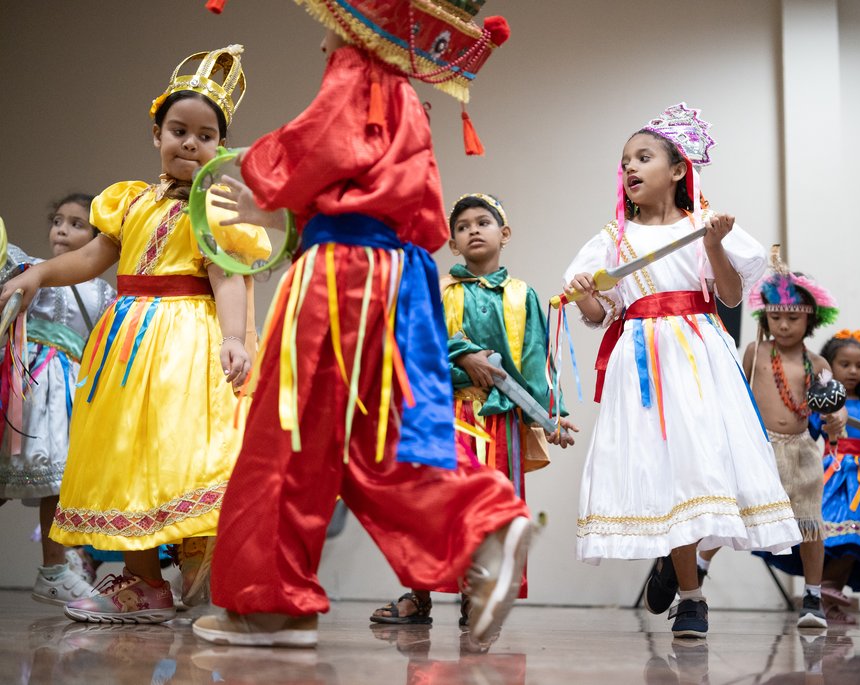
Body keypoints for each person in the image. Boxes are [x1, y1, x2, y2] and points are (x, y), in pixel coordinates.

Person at [192, 4, 532, 651]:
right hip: (392, 276)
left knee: (288, 431)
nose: (324, 43)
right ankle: (479, 525)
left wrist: (254, 174)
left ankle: (271, 603)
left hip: (341, 275)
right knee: (376, 439)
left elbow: (320, 143)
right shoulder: (403, 90)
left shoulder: (360, 67)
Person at [0, 44, 259, 623]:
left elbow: (227, 275)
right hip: (126, 343)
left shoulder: (214, 208)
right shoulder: (130, 201)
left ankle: (201, 561)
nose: (190, 143)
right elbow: (95, 256)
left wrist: (235, 338)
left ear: (222, 147)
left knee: (181, 450)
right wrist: (39, 273)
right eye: (178, 129)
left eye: (206, 135)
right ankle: (145, 583)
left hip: (186, 343)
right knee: (126, 452)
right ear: (156, 132)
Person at [561, 102, 802, 640]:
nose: (629, 168)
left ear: (677, 170)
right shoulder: (612, 239)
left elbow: (733, 294)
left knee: (715, 468)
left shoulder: (702, 226)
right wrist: (586, 298)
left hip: (698, 353)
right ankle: (692, 598)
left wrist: (714, 246)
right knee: (667, 472)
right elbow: (602, 315)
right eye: (624, 160)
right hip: (642, 362)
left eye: (642, 157)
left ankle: (681, 562)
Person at [370, 193, 576, 627]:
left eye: (483, 222)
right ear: (453, 243)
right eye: (462, 227)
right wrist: (462, 356)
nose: (473, 231)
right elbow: (414, 344)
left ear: (504, 234)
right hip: (444, 414)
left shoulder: (521, 296)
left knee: (488, 509)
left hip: (498, 421)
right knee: (431, 505)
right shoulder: (439, 290)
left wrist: (551, 414)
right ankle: (418, 594)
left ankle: (477, 594)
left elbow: (537, 359)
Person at [0, 194, 116, 605]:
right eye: (58, 221)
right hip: (23, 387)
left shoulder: (103, 293)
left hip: (67, 397)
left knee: (57, 484)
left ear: (99, 239)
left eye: (77, 224)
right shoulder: (32, 270)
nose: (62, 229)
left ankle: (52, 571)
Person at [755, 330, 860, 623]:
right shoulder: (823, 402)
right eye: (844, 365)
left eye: (859, 366)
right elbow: (807, 433)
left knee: (859, 533)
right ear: (829, 368)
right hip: (831, 474)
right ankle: (826, 593)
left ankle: (829, 591)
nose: (852, 371)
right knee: (830, 534)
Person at [740, 250, 846, 628]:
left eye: (792, 318)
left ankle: (813, 596)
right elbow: (738, 395)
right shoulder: (756, 351)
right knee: (730, 511)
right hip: (759, 449)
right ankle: (699, 570)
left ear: (811, 319)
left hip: (801, 449)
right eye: (775, 317)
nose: (783, 325)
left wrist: (836, 419)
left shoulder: (817, 364)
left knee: (809, 524)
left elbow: (835, 405)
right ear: (764, 316)